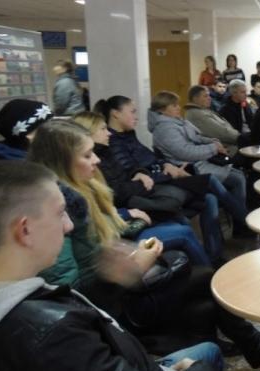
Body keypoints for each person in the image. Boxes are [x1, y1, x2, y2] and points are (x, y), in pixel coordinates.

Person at [0, 160, 260, 371]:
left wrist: (114, 279)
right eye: (59, 214)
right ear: (24, 230)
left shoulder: (30, 302)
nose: (68, 225)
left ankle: (244, 350)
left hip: (138, 370)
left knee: (209, 349)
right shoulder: (49, 333)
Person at [94, 96, 228, 264]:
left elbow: (146, 161)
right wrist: (168, 173)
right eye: (132, 112)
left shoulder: (126, 137)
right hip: (150, 193)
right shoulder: (111, 147)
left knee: (210, 196)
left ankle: (214, 255)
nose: (136, 116)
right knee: (208, 187)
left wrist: (164, 165)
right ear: (115, 114)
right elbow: (126, 186)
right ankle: (213, 257)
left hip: (157, 185)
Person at [72, 111, 212, 267]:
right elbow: (112, 198)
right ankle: (208, 271)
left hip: (125, 214)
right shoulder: (81, 180)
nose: (108, 133)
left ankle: (206, 264)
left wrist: (140, 173)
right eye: (103, 129)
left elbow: (129, 171)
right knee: (184, 228)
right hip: (120, 229)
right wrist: (128, 211)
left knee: (195, 205)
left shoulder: (107, 152)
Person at [149, 91, 249, 237]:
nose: (178, 107)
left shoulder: (176, 121)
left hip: (199, 163)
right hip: (190, 169)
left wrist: (212, 142)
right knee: (236, 179)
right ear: (162, 109)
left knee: (237, 176)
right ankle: (244, 222)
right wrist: (213, 148)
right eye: (174, 105)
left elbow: (197, 137)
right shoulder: (165, 129)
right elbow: (186, 152)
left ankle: (242, 224)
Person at [185, 85, 241, 156]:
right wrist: (241, 137)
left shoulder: (202, 110)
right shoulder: (197, 114)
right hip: (223, 151)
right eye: (205, 96)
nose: (209, 98)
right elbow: (221, 133)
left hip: (228, 146)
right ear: (195, 98)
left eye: (209, 95)